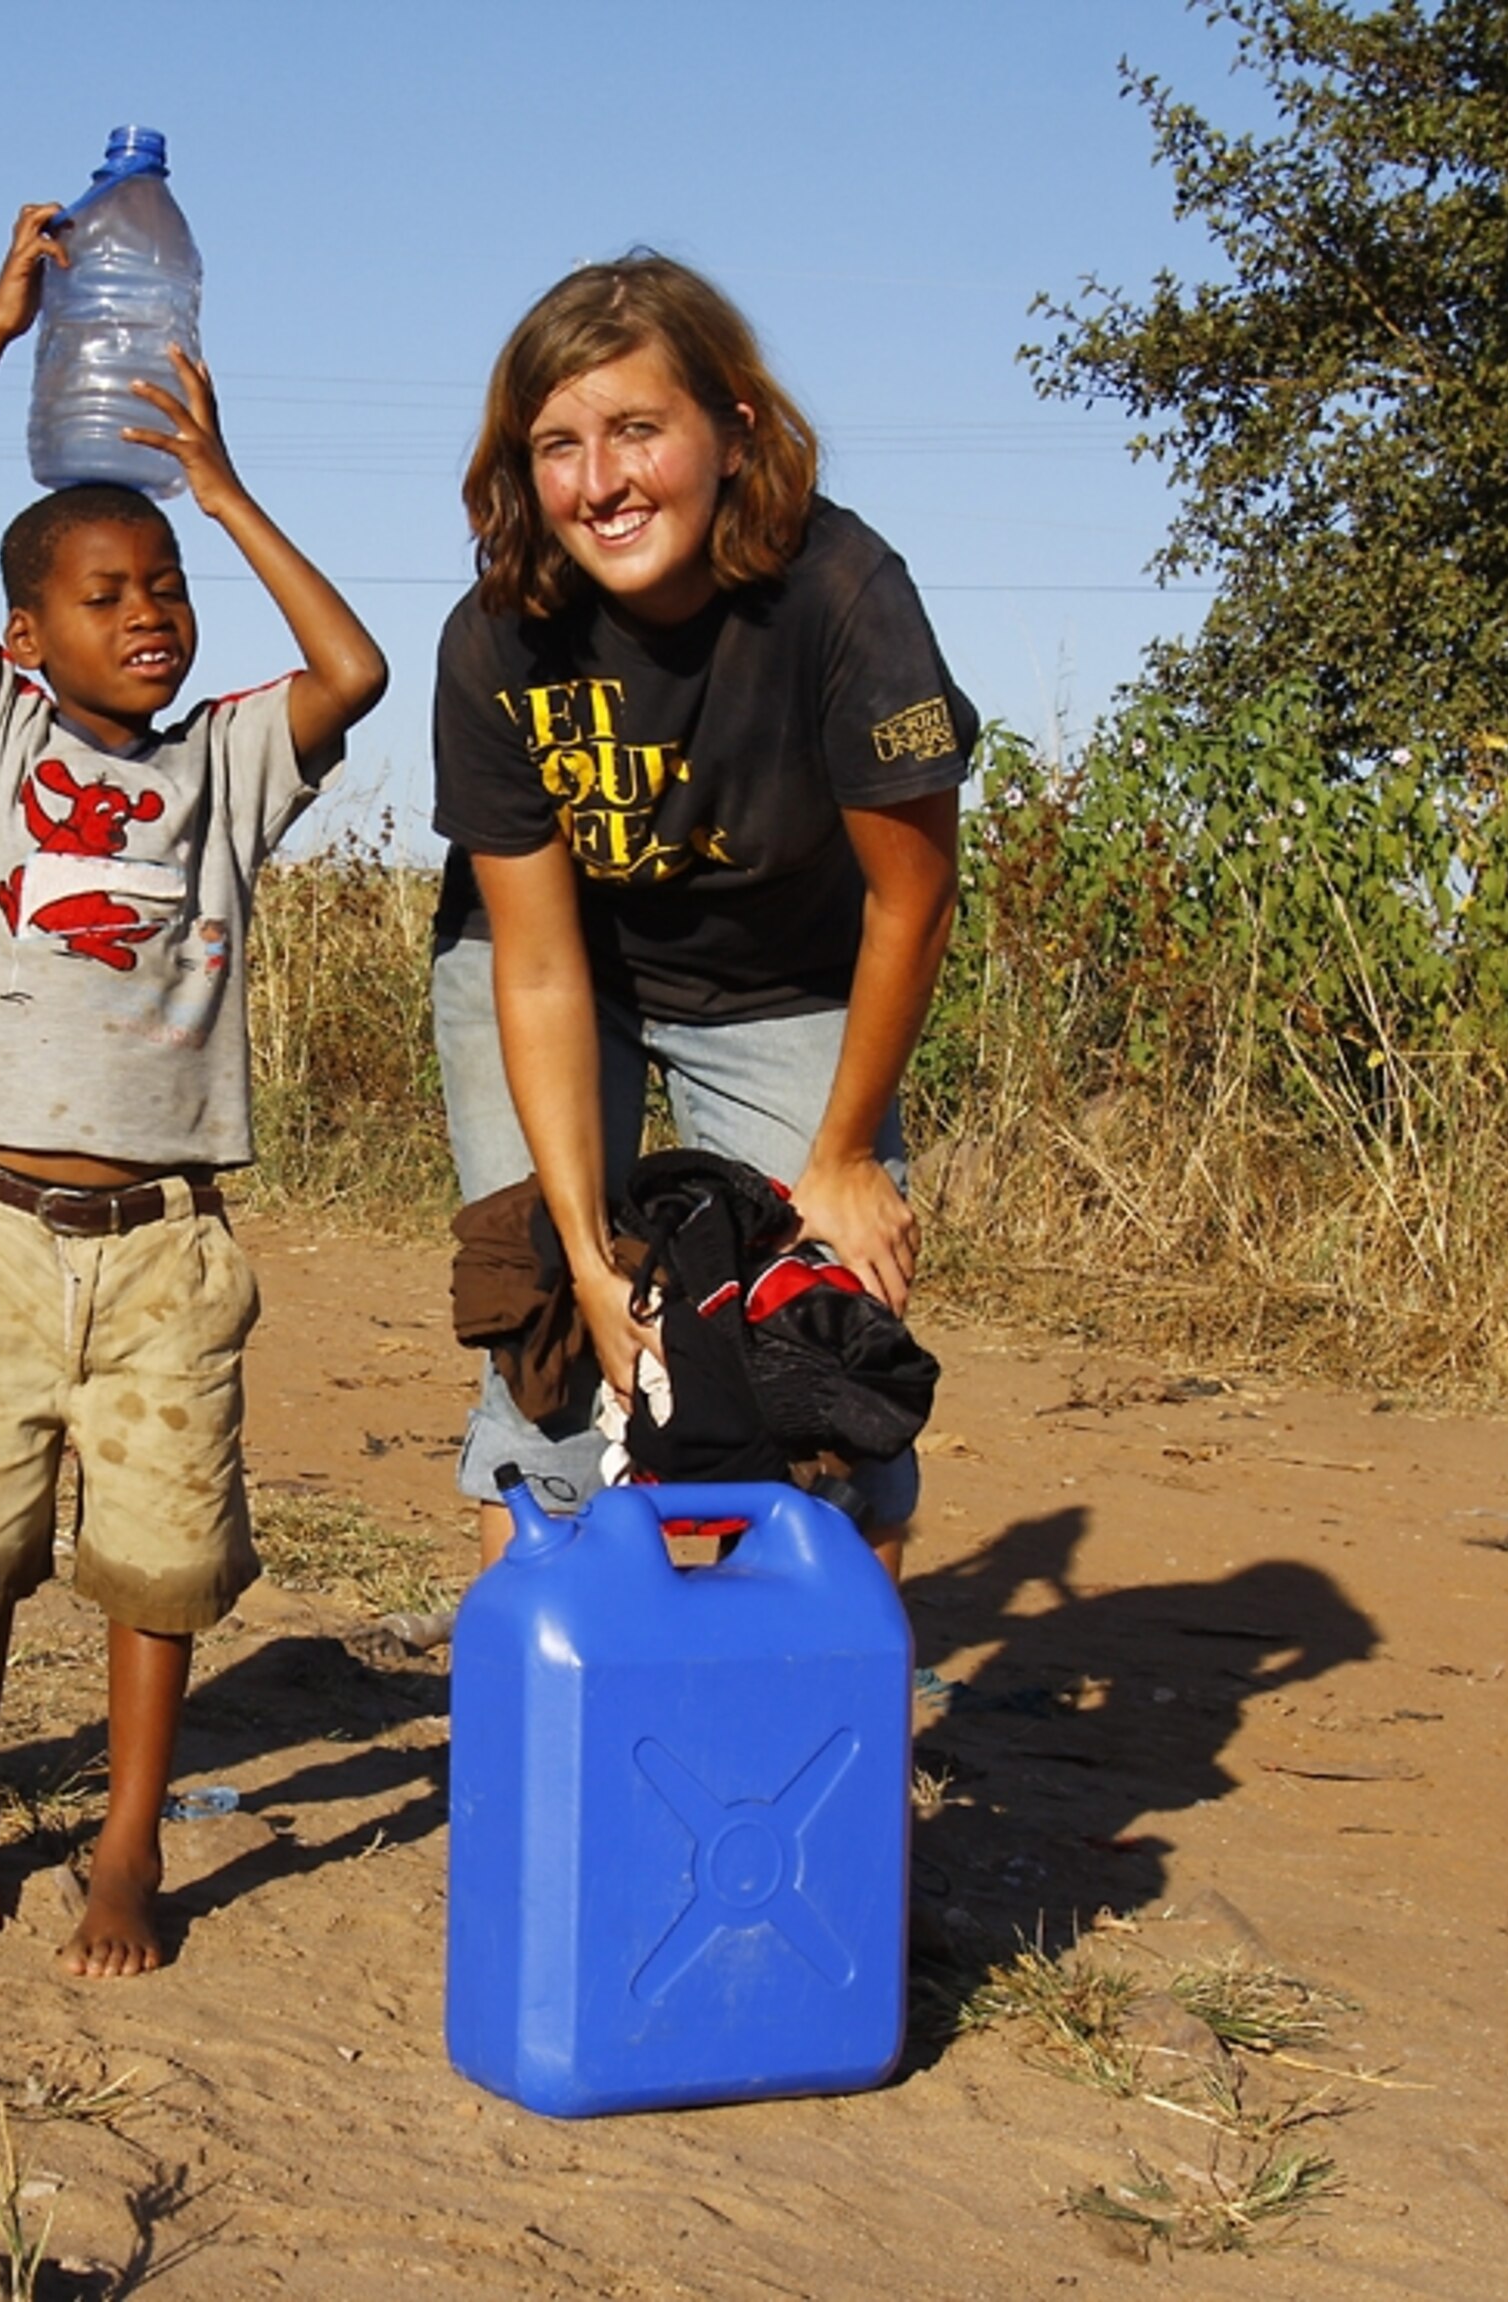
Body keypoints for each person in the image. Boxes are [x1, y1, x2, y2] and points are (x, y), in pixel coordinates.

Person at [0, 204, 387, 1977]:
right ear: (30, 635)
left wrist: (224, 491)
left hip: (168, 1243)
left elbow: (355, 672)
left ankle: (122, 1847)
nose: (152, 617)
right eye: (109, 598)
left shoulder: (232, 764)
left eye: (165, 589)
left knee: (160, 1567)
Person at [431, 252, 970, 1580]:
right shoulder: (497, 638)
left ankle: (822, 1731)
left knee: (817, 1342)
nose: (599, 480)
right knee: (555, 1337)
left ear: (732, 431)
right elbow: (541, 968)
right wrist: (585, 1252)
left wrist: (843, 1154)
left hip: (788, 984)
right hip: (566, 976)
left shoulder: (843, 594)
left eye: (636, 430)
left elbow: (915, 891)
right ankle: (558, 1710)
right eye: (556, 444)